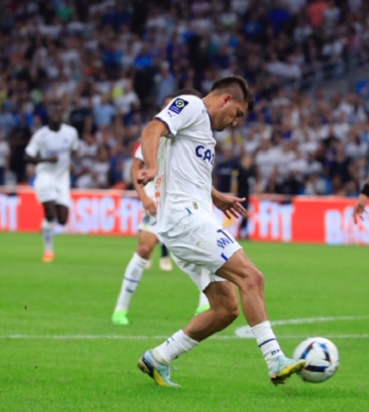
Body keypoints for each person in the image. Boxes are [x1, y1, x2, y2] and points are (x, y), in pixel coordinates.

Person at [136, 75, 305, 387]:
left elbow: (190, 175)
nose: (236, 122)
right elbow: (152, 129)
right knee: (252, 277)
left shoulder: (202, 134)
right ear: (227, 100)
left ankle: (158, 357)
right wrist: (152, 165)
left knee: (226, 309)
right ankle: (275, 359)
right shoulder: (191, 106)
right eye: (237, 114)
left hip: (193, 220)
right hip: (186, 219)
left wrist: (217, 197)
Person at [112, 92, 210, 326]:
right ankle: (120, 309)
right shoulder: (153, 135)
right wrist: (143, 198)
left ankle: (204, 304)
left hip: (184, 205)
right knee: (144, 249)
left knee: (204, 251)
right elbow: (136, 168)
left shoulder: (190, 136)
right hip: (156, 204)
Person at [25, 101, 79, 262]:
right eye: (53, 114)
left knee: (62, 219)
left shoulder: (71, 132)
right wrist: (46, 159)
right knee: (51, 214)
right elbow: (27, 156)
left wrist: (72, 164)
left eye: (59, 114)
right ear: (48, 117)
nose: (56, 117)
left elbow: (74, 149)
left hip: (62, 178)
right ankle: (48, 251)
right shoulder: (40, 135)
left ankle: (46, 225)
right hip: (45, 177)